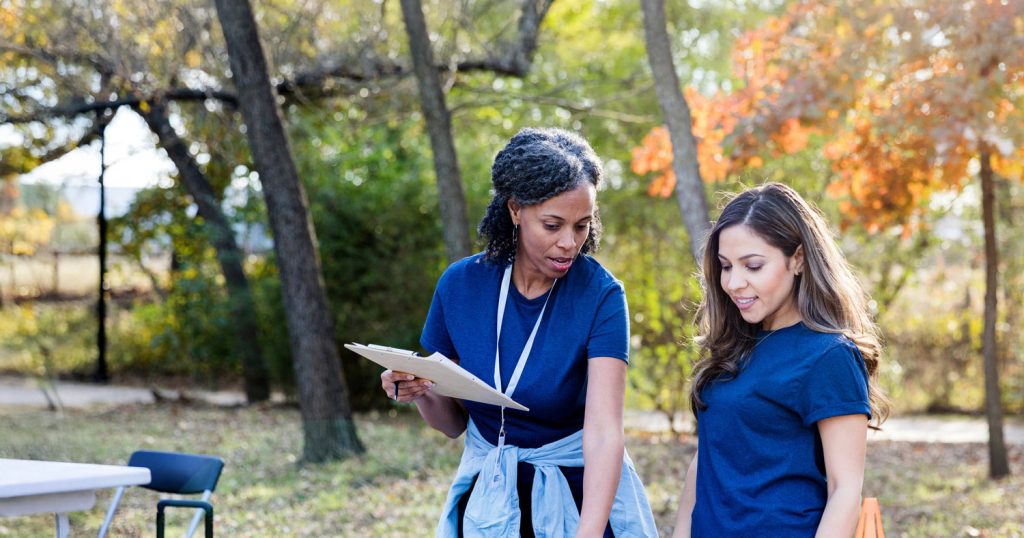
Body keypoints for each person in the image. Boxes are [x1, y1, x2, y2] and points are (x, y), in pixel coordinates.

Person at [381, 128, 657, 537]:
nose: (569, 243)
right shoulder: (459, 286)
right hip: (490, 499)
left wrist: (589, 532)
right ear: (514, 209)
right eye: (553, 225)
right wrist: (416, 390)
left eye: (582, 226)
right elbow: (452, 424)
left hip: (580, 498)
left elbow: (603, 434)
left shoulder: (601, 296)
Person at [672, 183, 890, 537]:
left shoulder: (829, 355)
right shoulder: (734, 346)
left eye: (753, 266)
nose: (734, 283)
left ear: (799, 259)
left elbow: (845, 489)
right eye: (726, 267)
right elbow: (706, 462)